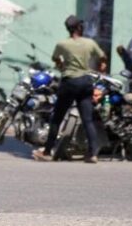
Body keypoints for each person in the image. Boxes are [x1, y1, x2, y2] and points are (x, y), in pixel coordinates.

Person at [33, 15, 106, 163]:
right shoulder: (89, 43)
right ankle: (93, 154)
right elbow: (103, 57)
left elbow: (55, 59)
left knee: (56, 119)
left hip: (69, 82)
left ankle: (47, 152)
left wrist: (61, 65)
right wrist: (101, 67)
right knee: (87, 120)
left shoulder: (62, 44)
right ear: (79, 27)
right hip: (86, 82)